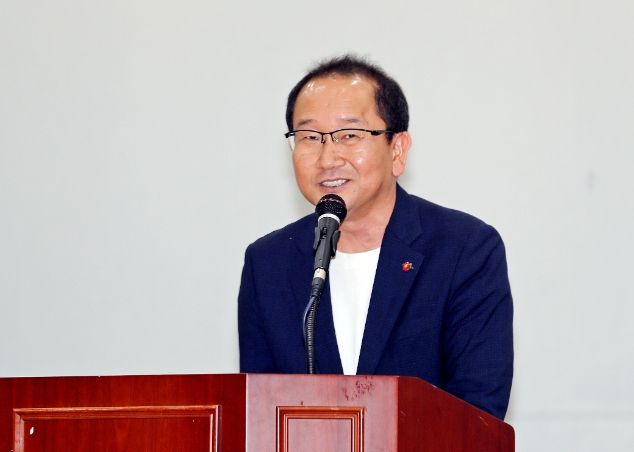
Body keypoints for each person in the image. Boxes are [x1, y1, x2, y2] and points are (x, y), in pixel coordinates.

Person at [238, 55, 513, 420]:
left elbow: (478, 415)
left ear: (397, 150)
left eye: (350, 135)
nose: (327, 158)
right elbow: (258, 416)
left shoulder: (464, 249)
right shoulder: (268, 263)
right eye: (309, 137)